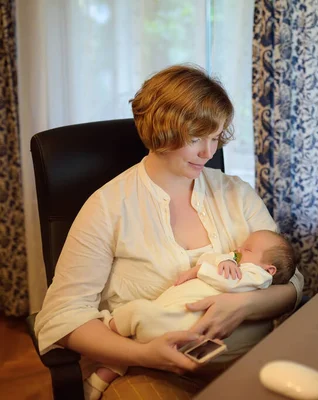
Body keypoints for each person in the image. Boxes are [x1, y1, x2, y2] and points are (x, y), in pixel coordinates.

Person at [34, 64, 304, 399]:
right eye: (196, 139)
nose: (209, 152)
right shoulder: (107, 208)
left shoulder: (236, 194)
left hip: (253, 359)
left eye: (216, 137)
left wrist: (245, 305)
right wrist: (143, 355)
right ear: (161, 129)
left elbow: (291, 279)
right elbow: (63, 316)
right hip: (149, 370)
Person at [85, 229, 297, 399]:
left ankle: (110, 325)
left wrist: (201, 270)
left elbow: (228, 281)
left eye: (247, 249)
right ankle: (104, 375)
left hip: (182, 329)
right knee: (141, 327)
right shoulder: (236, 264)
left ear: (269, 270)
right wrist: (222, 261)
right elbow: (211, 258)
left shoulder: (258, 276)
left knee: (139, 313)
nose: (238, 249)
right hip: (172, 322)